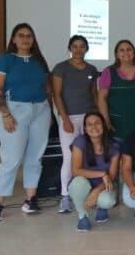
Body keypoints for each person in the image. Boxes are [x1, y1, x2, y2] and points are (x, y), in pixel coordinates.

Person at [0, 23, 52, 222]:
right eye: (21, 35)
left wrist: (49, 115)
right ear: (14, 39)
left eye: (29, 36)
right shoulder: (4, 60)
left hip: (40, 110)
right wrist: (5, 114)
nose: (25, 39)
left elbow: (47, 89)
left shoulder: (39, 61)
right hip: (14, 111)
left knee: (35, 157)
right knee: (11, 159)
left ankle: (30, 199)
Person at [52, 35, 98, 213]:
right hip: (69, 118)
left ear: (86, 49)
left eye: (82, 46)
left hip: (89, 118)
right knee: (70, 157)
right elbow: (56, 94)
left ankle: (86, 192)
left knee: (89, 155)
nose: (78, 50)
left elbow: (93, 93)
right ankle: (65, 196)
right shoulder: (61, 68)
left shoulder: (92, 69)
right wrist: (65, 119)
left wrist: (96, 117)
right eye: (75, 46)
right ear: (70, 48)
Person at [67, 112, 120, 231]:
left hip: (104, 185)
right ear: (85, 128)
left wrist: (96, 191)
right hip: (84, 183)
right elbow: (76, 171)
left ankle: (102, 207)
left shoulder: (113, 146)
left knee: (107, 201)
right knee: (77, 183)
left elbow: (112, 175)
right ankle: (82, 215)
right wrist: (102, 173)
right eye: (89, 124)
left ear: (104, 125)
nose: (94, 127)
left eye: (97, 123)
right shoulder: (80, 141)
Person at [97, 40, 135, 144]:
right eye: (121, 50)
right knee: (117, 157)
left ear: (134, 52)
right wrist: (106, 121)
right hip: (116, 125)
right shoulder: (108, 72)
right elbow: (102, 98)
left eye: (129, 49)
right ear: (117, 54)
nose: (126, 52)